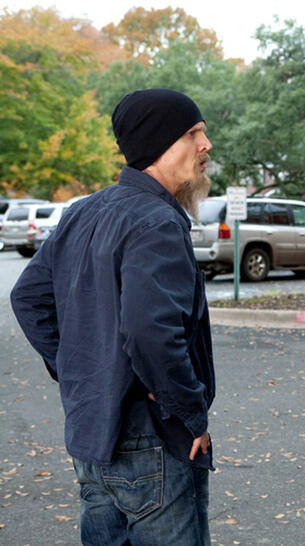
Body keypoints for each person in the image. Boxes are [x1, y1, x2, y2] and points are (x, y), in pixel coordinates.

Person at [11, 88, 216, 545]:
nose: (206, 145)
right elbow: (151, 334)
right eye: (193, 133)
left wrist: (84, 370)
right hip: (151, 442)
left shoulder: (85, 210)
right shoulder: (157, 222)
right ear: (159, 144)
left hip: (93, 438)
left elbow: (28, 298)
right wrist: (191, 416)